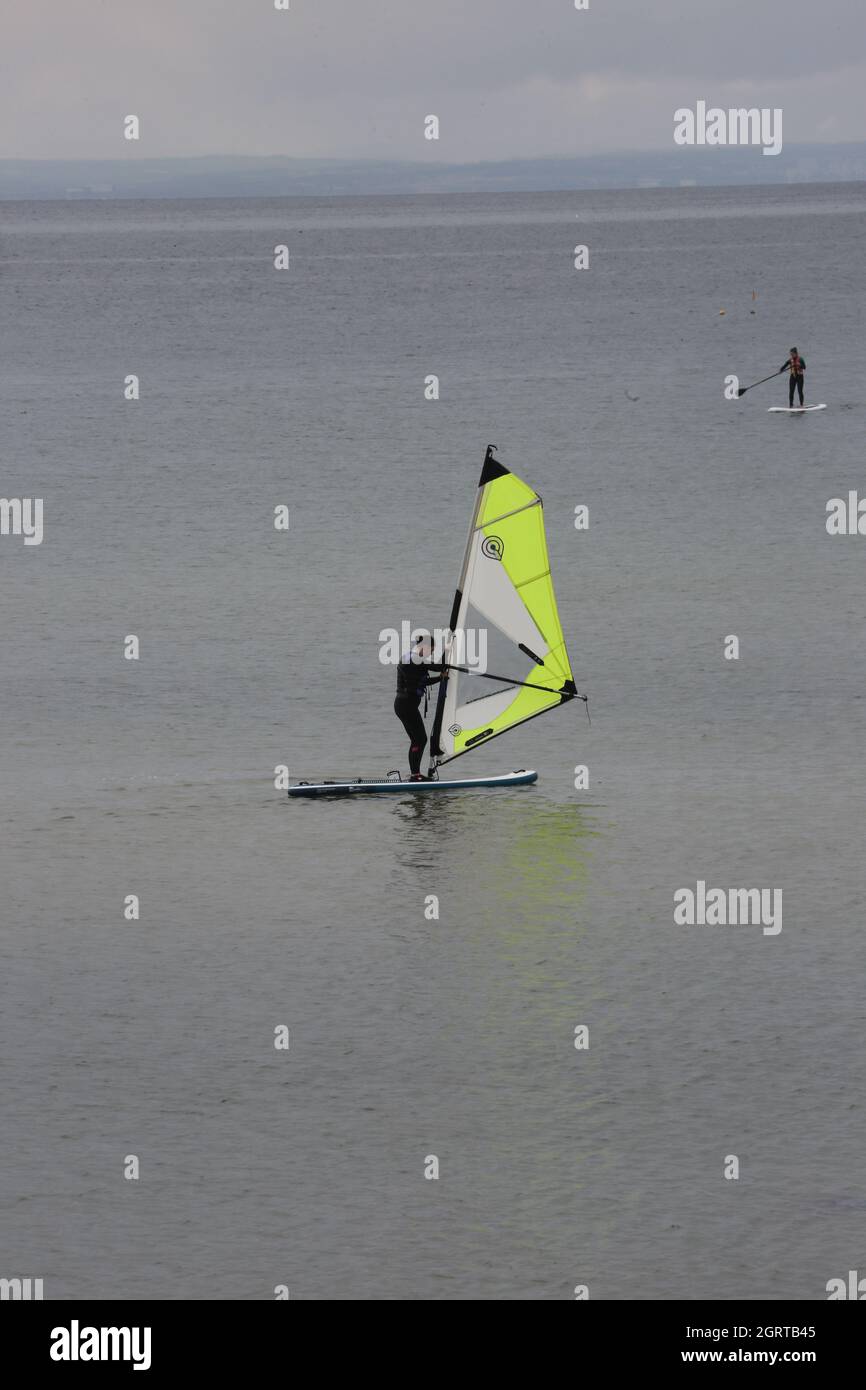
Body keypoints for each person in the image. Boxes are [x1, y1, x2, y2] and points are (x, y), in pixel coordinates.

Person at [394, 630, 442, 780]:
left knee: (417, 740)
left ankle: (415, 774)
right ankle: (416, 775)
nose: (430, 653)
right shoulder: (414, 659)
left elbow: (427, 674)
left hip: (404, 706)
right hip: (406, 706)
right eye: (431, 650)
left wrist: (441, 676)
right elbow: (436, 668)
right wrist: (442, 676)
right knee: (420, 739)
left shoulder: (412, 657)